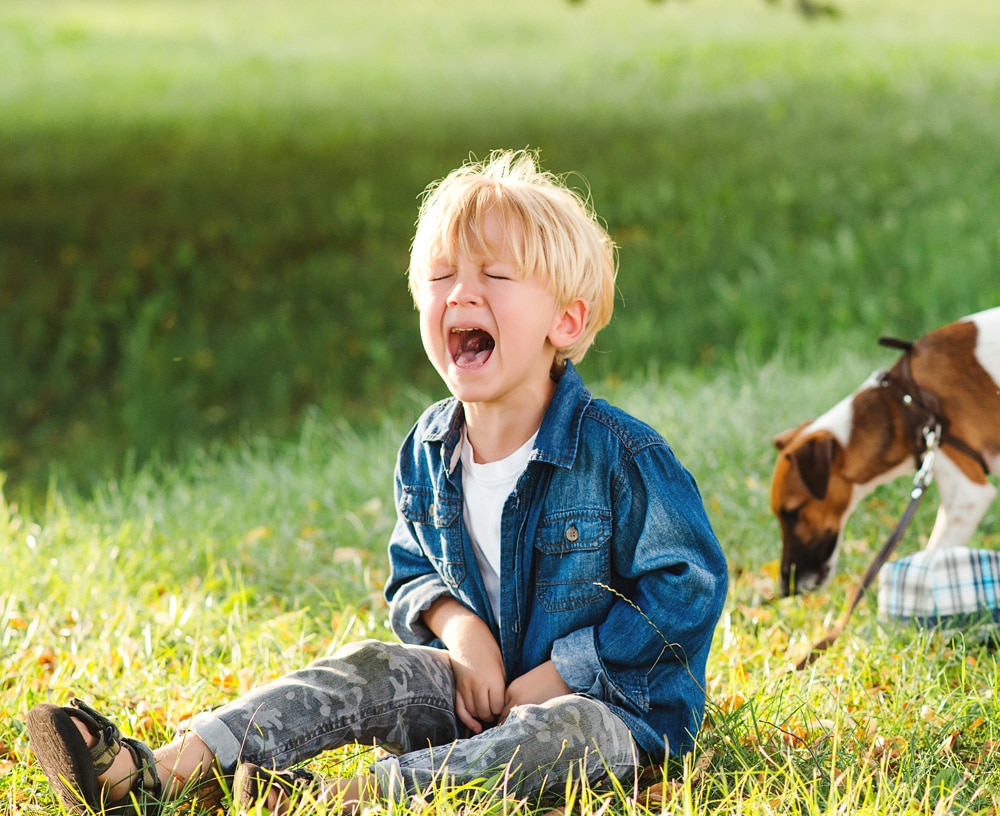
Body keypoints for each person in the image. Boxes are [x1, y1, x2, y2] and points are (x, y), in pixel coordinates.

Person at [26, 149, 728, 815]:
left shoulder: (619, 455)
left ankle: (346, 800)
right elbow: (413, 571)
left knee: (563, 735)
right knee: (364, 667)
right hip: (472, 695)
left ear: (566, 320)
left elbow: (686, 588)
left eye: (496, 277)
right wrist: (461, 632)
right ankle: (162, 771)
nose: (462, 294)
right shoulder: (430, 447)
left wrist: (565, 673)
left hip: (612, 716)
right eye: (443, 276)